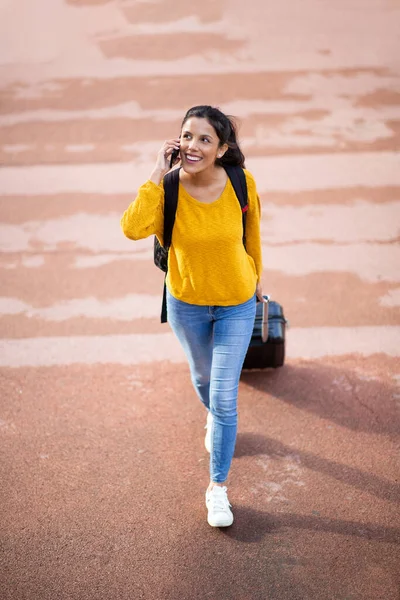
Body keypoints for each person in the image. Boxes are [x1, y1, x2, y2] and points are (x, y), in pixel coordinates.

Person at [121, 105, 265, 527]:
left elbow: (252, 233)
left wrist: (256, 278)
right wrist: (154, 173)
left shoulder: (241, 181)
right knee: (203, 380)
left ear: (222, 149)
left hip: (236, 302)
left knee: (224, 396)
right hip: (187, 302)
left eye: (205, 139)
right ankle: (214, 420)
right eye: (187, 136)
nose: (193, 146)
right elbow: (131, 228)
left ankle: (217, 488)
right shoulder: (166, 189)